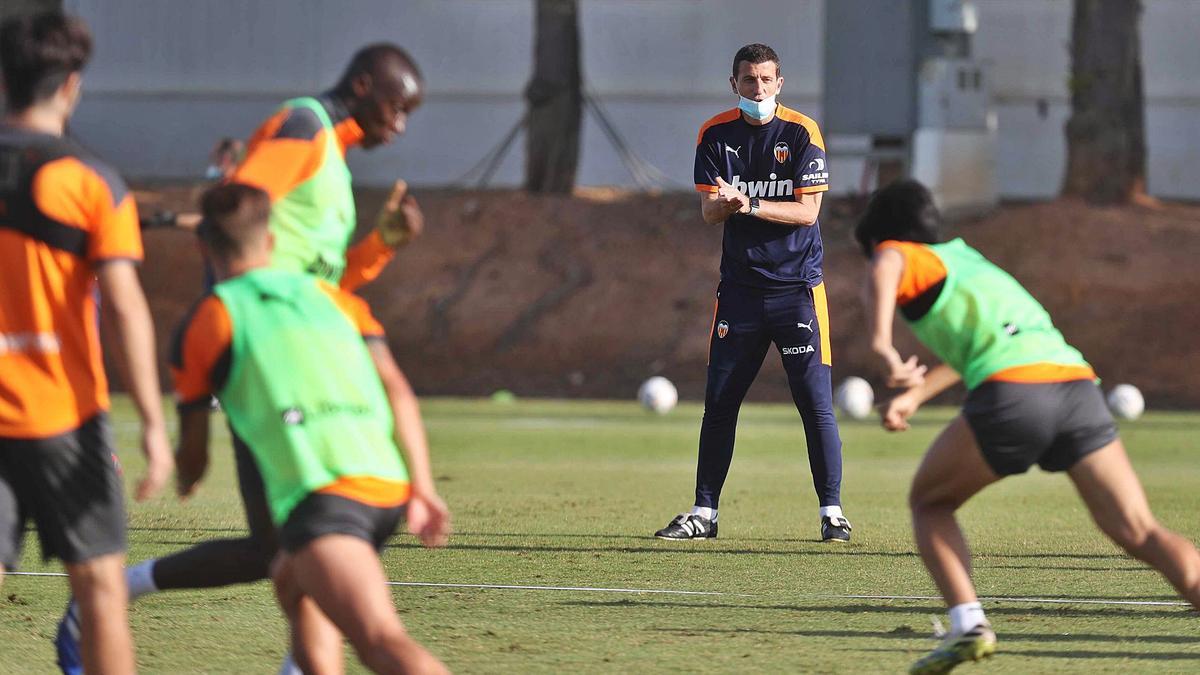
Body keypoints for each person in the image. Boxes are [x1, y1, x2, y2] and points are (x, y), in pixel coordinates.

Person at [855, 179, 1200, 674]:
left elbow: (888, 262)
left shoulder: (898, 254)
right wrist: (914, 394)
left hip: (1016, 396)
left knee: (929, 503)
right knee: (1141, 532)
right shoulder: (968, 262)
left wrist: (883, 347)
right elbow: (985, 349)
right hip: (1078, 389)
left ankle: (969, 625)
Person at [174, 183, 450, 673]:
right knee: (290, 579)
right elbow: (398, 391)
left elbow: (194, 455)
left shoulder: (208, 319)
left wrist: (186, 478)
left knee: (381, 642)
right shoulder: (334, 297)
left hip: (325, 500)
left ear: (203, 248)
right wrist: (423, 487)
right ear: (273, 243)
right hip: (386, 484)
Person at [0, 10, 173, 674]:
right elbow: (126, 309)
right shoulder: (94, 181)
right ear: (73, 84)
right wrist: (155, 423)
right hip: (64, 422)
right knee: (100, 593)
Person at [655, 43, 851, 542]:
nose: (757, 89)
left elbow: (808, 213)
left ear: (780, 83)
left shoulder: (802, 133)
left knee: (815, 403)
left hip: (798, 291)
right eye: (748, 80)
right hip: (740, 293)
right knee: (720, 402)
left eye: (766, 80)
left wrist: (749, 203)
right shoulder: (715, 134)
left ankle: (832, 512)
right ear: (734, 84)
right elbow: (708, 214)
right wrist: (727, 205)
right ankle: (704, 512)